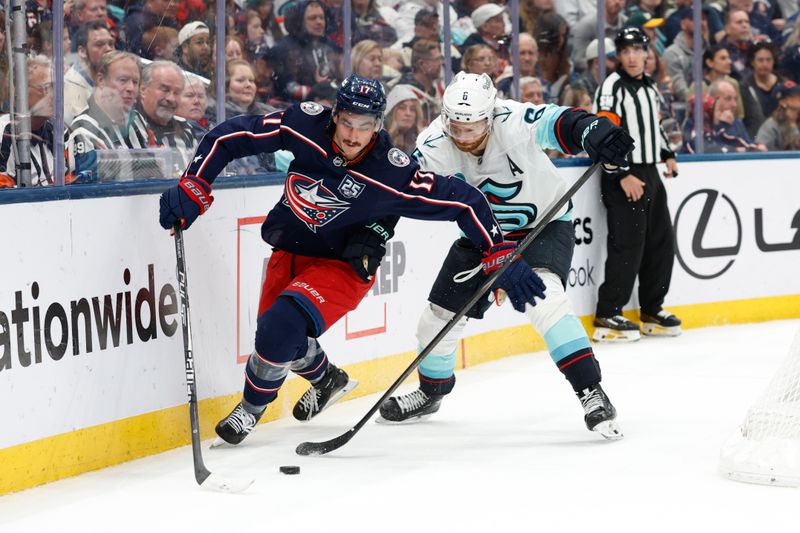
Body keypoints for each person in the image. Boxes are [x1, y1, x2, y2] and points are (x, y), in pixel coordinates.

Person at [158, 74, 545, 446]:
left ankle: (250, 409)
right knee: (277, 340)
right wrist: (194, 183)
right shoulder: (304, 125)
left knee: (280, 327)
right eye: (346, 121)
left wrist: (498, 252)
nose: (352, 135)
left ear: (378, 125)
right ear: (334, 115)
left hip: (343, 267)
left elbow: (466, 201)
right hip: (290, 252)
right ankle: (327, 379)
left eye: (364, 125)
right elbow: (230, 136)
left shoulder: (390, 171)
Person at [377, 72, 634, 440]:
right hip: (483, 237)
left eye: (471, 128)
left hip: (543, 225)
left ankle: (591, 391)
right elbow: (399, 190)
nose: (462, 137)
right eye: (455, 127)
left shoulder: (513, 119)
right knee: (437, 318)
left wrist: (593, 130)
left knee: (546, 300)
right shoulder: (433, 145)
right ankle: (431, 392)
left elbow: (560, 122)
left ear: (490, 115)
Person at [592, 27, 681, 343]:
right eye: (625, 51)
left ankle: (652, 309)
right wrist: (621, 174)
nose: (632, 57)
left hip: (650, 173)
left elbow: (655, 125)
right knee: (627, 245)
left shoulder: (650, 86)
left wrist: (667, 153)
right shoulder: (611, 87)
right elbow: (603, 133)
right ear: (618, 55)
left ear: (647, 53)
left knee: (661, 242)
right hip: (624, 175)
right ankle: (608, 313)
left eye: (637, 50)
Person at [66, 51, 150, 179]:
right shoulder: (83, 130)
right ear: (101, 80)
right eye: (123, 80)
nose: (131, 88)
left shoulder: (137, 119)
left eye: (135, 82)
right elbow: (91, 189)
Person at [0, 55, 55, 187]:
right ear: (20, 91)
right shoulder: (3, 132)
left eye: (55, 88)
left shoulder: (58, 132)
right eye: (46, 87)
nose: (53, 95)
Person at [137, 60, 197, 174]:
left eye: (177, 93)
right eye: (164, 90)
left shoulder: (186, 128)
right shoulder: (132, 128)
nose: (171, 99)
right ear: (143, 90)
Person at [64, 21, 116, 124]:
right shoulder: (70, 88)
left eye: (111, 44)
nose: (108, 49)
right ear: (82, 52)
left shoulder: (112, 78)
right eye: (99, 44)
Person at [756, 79, 800, 150]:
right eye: (795, 95)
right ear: (783, 102)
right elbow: (762, 152)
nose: (799, 97)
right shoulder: (771, 126)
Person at [384, 84, 424, 154]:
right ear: (391, 112)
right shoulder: (378, 141)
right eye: (402, 108)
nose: (408, 113)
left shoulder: (421, 145)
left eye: (412, 109)